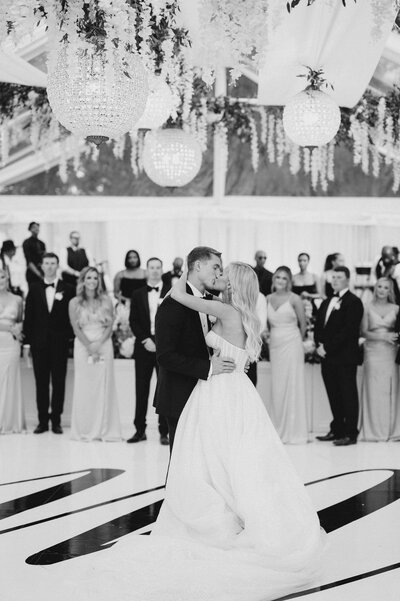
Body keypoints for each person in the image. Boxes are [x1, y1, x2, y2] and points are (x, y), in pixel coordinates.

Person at [54, 260, 324, 601]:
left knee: (211, 455)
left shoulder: (223, 310)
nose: (220, 276)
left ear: (235, 284)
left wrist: (190, 271)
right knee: (233, 457)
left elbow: (180, 294)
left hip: (219, 389)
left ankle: (222, 513)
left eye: (224, 273)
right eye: (217, 269)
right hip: (237, 390)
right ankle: (238, 510)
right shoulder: (241, 313)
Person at [154, 246, 236, 450]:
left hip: (206, 394)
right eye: (215, 267)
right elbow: (165, 356)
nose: (219, 273)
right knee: (181, 463)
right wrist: (209, 368)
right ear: (198, 265)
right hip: (180, 394)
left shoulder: (210, 301)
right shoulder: (172, 303)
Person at [23, 252, 75, 434]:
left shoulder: (68, 288)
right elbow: (28, 317)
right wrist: (27, 343)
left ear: (57, 265)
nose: (50, 266)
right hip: (39, 344)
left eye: (53, 263)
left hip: (60, 344)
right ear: (42, 266)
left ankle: (57, 421)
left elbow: (72, 317)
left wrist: (67, 339)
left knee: (59, 383)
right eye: (47, 263)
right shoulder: (34, 287)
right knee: (41, 383)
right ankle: (42, 421)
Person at [69, 267, 121, 442]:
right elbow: (75, 328)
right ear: (83, 280)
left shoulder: (106, 300)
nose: (92, 281)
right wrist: (89, 345)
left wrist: (99, 343)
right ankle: (85, 428)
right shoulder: (74, 302)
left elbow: (110, 326)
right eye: (88, 278)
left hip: (104, 344)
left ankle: (104, 430)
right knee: (84, 387)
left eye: (95, 278)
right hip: (83, 346)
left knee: (104, 385)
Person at [314, 266, 364, 445]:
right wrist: (318, 345)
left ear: (347, 279)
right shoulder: (327, 301)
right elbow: (319, 325)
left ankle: (351, 433)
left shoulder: (354, 302)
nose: (334, 280)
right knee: (333, 394)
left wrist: (327, 347)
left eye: (339, 277)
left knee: (348, 395)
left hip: (344, 358)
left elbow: (349, 331)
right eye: (333, 277)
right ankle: (337, 430)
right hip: (327, 357)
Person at [127, 257, 169, 445]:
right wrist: (145, 340)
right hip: (143, 347)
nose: (154, 271)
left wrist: (160, 342)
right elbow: (133, 321)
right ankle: (139, 430)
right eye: (151, 267)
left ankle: (164, 431)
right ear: (147, 270)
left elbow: (173, 322)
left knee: (164, 389)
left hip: (165, 348)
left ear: (162, 269)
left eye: (157, 267)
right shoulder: (137, 293)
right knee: (141, 389)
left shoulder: (171, 292)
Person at [266, 266, 309, 444]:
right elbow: (266, 325)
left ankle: (294, 431)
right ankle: (278, 429)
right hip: (275, 345)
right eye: (278, 277)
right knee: (278, 386)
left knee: (292, 385)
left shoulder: (295, 299)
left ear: (289, 281)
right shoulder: (267, 298)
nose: (281, 281)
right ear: (274, 279)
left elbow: (303, 324)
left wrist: (301, 341)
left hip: (292, 343)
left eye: (284, 278)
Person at [359, 278, 400, 441]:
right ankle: (373, 430)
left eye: (385, 288)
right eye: (379, 287)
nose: (382, 290)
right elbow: (363, 332)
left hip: (390, 353)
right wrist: (383, 336)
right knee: (373, 390)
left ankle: (391, 430)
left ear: (390, 291)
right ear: (375, 289)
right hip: (372, 352)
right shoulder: (367, 307)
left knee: (389, 390)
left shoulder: (397, 308)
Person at [0, 268, 25, 433]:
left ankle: (9, 421)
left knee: (10, 380)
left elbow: (21, 321)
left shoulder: (17, 299)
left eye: (2, 276)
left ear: (7, 277)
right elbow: (11, 325)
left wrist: (18, 328)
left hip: (11, 345)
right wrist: (10, 327)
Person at [22, 221, 46, 287]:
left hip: (42, 272)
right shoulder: (27, 243)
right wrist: (39, 274)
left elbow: (45, 258)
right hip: (32, 273)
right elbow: (28, 261)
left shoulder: (42, 243)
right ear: (30, 229)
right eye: (34, 227)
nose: (37, 229)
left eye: (38, 227)